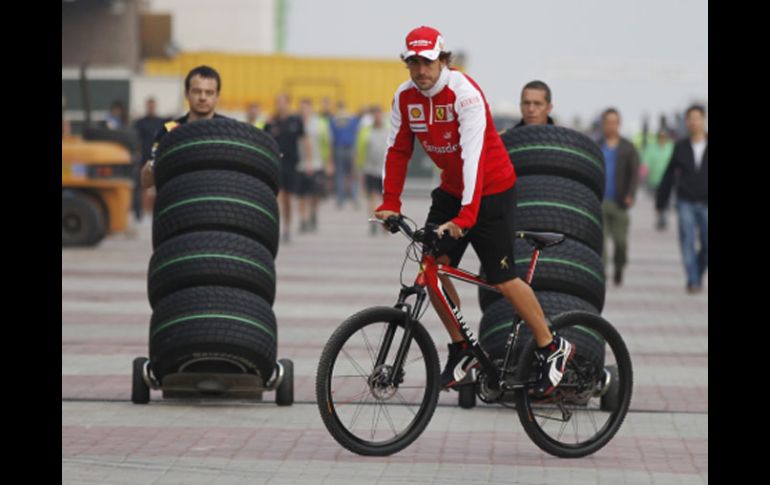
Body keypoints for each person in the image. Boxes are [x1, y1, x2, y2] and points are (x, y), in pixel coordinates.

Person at [375, 25, 575, 396]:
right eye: (414, 62)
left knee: (502, 278)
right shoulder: (405, 98)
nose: (421, 70)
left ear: (443, 60)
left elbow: (473, 156)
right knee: (431, 268)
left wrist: (467, 217)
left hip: (492, 189)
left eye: (428, 61)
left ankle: (551, 345)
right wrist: (390, 203)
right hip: (453, 189)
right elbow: (397, 151)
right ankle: (461, 348)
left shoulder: (463, 93)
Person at [141, 65, 226, 189]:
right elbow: (146, 181)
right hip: (179, 200)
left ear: (217, 96)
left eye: (209, 92)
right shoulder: (169, 130)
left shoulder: (230, 129)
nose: (202, 97)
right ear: (186, 94)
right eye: (197, 91)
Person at [656, 105, 708, 294]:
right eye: (690, 119)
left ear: (703, 120)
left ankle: (698, 273)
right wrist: (660, 203)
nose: (694, 122)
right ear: (686, 122)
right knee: (687, 242)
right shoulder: (681, 147)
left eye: (697, 118)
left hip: (706, 203)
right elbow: (669, 175)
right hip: (685, 201)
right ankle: (693, 281)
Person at [598, 108, 640, 287]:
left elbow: (634, 173)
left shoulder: (628, 147)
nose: (611, 126)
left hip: (619, 202)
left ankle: (619, 267)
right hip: (599, 202)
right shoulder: (596, 145)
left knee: (621, 242)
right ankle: (602, 275)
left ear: (619, 124)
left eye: (614, 122)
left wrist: (630, 194)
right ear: (603, 124)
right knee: (601, 246)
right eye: (608, 122)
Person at [264, 93, 311, 243]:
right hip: (276, 164)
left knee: (289, 200)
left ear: (288, 104)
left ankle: (287, 229)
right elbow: (264, 141)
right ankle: (275, 228)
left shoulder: (295, 121)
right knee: (277, 198)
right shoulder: (271, 121)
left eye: (283, 102)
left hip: (292, 164)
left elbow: (305, 141)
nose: (280, 105)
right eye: (278, 102)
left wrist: (309, 161)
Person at [298, 98, 332, 232]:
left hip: (317, 164)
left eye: (306, 107)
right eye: (301, 107)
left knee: (314, 194)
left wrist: (329, 163)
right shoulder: (296, 123)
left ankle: (313, 213)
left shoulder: (320, 124)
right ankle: (303, 220)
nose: (304, 110)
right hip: (300, 165)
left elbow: (327, 143)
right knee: (302, 195)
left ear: (311, 109)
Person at [356, 105, 389, 235]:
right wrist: (360, 168)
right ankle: (373, 223)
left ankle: (385, 223)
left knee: (384, 199)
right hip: (369, 169)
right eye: (374, 115)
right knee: (371, 198)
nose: (377, 117)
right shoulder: (366, 131)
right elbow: (360, 150)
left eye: (379, 114)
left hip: (385, 170)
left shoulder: (388, 131)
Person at [132, 97, 166, 221]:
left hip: (159, 158)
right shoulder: (140, 123)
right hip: (144, 159)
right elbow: (134, 138)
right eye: (149, 106)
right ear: (147, 107)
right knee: (143, 186)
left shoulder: (162, 122)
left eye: (153, 106)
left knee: (160, 186)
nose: (151, 108)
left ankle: (158, 212)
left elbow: (175, 125)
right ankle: (141, 213)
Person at [641, 128, 675, 230]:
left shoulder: (672, 147)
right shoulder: (651, 147)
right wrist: (643, 173)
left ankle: (664, 217)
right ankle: (660, 216)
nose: (662, 139)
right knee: (658, 199)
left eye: (664, 137)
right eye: (660, 137)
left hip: (669, 180)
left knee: (667, 199)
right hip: (655, 179)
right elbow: (646, 160)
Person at [330, 101, 361, 209]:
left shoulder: (334, 121)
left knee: (340, 175)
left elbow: (331, 137)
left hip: (338, 148)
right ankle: (354, 198)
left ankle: (340, 199)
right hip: (350, 148)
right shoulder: (352, 120)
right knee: (352, 174)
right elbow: (356, 133)